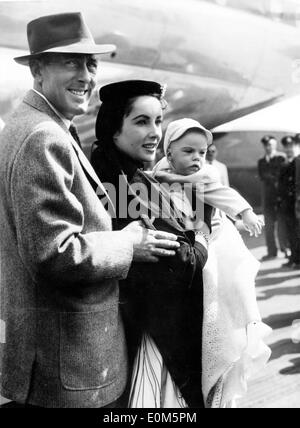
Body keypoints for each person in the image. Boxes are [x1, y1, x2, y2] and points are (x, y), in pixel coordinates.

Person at [0, 14, 179, 408]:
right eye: (71, 62)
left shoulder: (36, 124)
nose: (86, 75)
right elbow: (57, 254)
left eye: (91, 63)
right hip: (71, 369)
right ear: (37, 68)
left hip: (56, 358)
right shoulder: (43, 137)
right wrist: (129, 242)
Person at [91, 80, 211, 408]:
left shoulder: (132, 174)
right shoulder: (120, 185)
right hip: (156, 348)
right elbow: (178, 263)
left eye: (158, 121)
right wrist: (203, 237)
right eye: (142, 121)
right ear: (113, 127)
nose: (156, 132)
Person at [148, 119, 270, 408]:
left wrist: (246, 213)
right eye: (188, 151)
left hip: (217, 241)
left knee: (226, 290)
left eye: (201, 152)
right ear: (169, 154)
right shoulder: (158, 173)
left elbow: (225, 195)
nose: (197, 159)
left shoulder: (205, 175)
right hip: (194, 242)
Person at [258, 136, 286, 261]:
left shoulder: (281, 158)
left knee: (282, 226)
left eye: (270, 145)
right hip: (268, 200)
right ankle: (272, 252)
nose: (268, 147)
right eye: (266, 145)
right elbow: (263, 177)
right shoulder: (261, 161)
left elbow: (280, 176)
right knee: (269, 227)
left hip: (280, 198)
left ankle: (286, 250)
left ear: (274, 145)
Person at [278, 136, 300, 269]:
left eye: (291, 147)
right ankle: (294, 258)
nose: (289, 149)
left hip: (296, 203)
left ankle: (298, 259)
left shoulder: (297, 162)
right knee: (290, 231)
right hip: (287, 203)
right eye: (286, 147)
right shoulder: (285, 163)